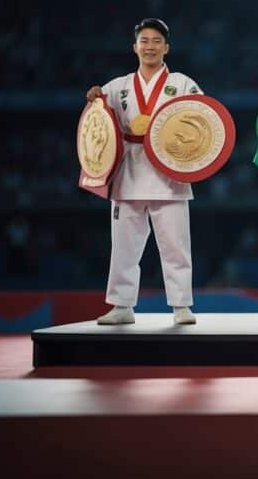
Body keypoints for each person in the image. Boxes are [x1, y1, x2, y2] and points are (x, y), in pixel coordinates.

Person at [84, 18, 201, 325]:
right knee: (123, 245)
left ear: (167, 48)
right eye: (144, 41)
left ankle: (181, 306)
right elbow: (99, 124)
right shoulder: (116, 86)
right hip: (129, 173)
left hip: (169, 171)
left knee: (176, 244)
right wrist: (96, 98)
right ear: (134, 47)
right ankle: (122, 305)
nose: (150, 47)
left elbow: (204, 117)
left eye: (156, 41)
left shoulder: (184, 83)